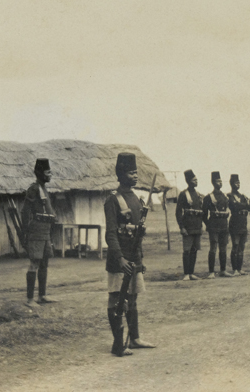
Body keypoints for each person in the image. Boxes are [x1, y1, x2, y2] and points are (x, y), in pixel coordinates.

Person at [105, 152, 156, 357]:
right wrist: (120, 258)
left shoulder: (136, 199)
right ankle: (118, 343)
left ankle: (134, 339)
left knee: (133, 299)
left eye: (136, 172)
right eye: (130, 172)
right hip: (120, 259)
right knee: (116, 300)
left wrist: (138, 259)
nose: (135, 176)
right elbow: (110, 233)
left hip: (134, 257)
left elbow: (137, 233)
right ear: (121, 174)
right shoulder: (112, 200)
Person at [20, 158, 58, 307]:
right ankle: (30, 299)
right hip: (36, 231)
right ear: (40, 173)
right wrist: (25, 232)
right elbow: (25, 211)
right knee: (34, 263)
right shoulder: (34, 189)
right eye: (48, 172)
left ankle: (42, 296)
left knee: (44, 263)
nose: (50, 175)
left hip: (45, 230)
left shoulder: (43, 189)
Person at [203, 171, 232, 278]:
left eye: (220, 181)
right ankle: (211, 272)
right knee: (213, 248)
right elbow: (204, 214)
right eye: (217, 181)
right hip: (214, 225)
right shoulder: (208, 197)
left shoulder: (225, 196)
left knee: (223, 248)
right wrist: (209, 224)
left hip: (224, 224)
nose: (220, 183)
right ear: (213, 183)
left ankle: (223, 270)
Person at [176, 169, 204, 281]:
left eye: (196, 179)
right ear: (188, 181)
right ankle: (186, 274)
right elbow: (178, 212)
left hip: (197, 226)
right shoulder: (183, 194)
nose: (196, 181)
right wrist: (181, 227)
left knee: (194, 250)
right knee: (187, 250)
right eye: (194, 180)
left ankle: (192, 273)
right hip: (188, 226)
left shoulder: (198, 195)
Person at [227, 174, 250, 275]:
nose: (238, 185)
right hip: (235, 223)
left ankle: (239, 269)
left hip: (243, 222)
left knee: (241, 246)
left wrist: (242, 205)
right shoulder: (229, 196)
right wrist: (244, 205)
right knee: (235, 246)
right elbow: (234, 207)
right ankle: (235, 269)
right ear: (231, 184)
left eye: (239, 183)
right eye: (236, 183)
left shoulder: (243, 196)